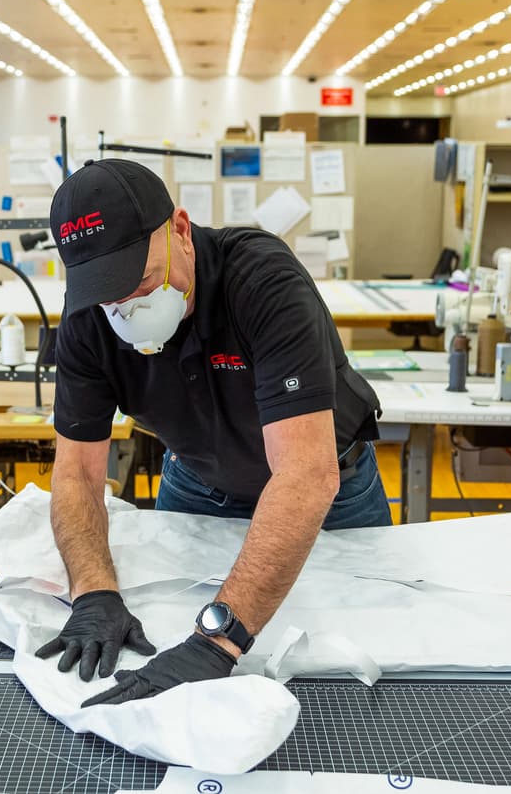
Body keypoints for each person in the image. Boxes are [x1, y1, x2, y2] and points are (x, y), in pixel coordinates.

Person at [39, 158, 388, 707]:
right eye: (111, 296)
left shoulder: (262, 280)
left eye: (143, 281)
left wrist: (215, 642)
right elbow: (78, 472)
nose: (129, 308)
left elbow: (305, 474)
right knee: (160, 626)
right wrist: (92, 590)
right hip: (197, 485)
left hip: (330, 495)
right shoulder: (87, 320)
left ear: (179, 229)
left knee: (350, 650)